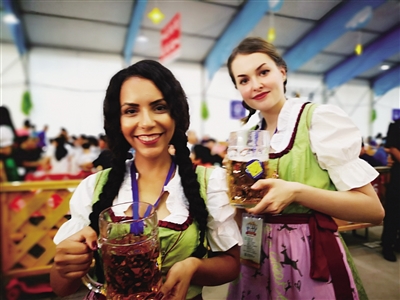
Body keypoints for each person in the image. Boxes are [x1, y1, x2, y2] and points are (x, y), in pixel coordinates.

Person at [50, 60, 241, 299]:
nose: (147, 122)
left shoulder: (209, 182)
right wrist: (65, 266)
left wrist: (193, 267)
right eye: (131, 111)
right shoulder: (93, 187)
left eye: (159, 107)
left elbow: (231, 265)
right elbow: (60, 287)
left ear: (176, 113)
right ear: (117, 121)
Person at [225, 37, 384, 300]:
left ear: (282, 72)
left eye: (263, 72)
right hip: (253, 256)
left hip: (307, 256)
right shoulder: (245, 134)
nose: (256, 85)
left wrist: (297, 192)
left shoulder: (318, 120)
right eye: (244, 80)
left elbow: (373, 210)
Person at [381, 118, 400, 262]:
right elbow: (391, 147)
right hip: (398, 175)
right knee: (393, 212)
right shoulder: (396, 125)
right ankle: (387, 245)